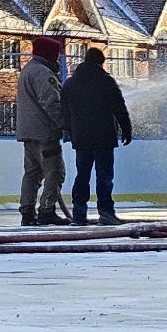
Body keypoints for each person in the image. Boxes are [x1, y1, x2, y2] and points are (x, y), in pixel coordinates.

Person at [61, 47, 134, 225]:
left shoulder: (70, 84)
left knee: (82, 175)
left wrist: (71, 132)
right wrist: (126, 129)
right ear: (101, 62)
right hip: (104, 137)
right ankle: (106, 212)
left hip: (81, 138)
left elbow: (64, 111)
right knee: (104, 176)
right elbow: (119, 106)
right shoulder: (105, 81)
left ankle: (79, 213)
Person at [14, 36, 69, 227]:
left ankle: (27, 212)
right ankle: (47, 210)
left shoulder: (28, 69)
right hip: (45, 133)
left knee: (32, 173)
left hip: (28, 132)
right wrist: (65, 124)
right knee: (55, 172)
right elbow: (51, 102)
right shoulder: (42, 73)